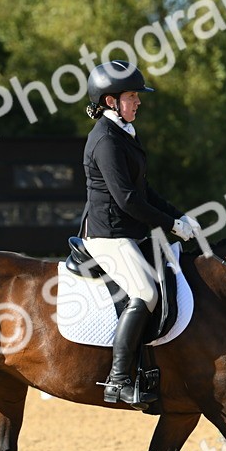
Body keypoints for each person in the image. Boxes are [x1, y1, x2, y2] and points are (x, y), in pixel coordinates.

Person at [81, 60, 200, 408]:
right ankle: (117, 381)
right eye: (132, 96)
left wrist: (180, 216)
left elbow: (145, 192)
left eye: (136, 96)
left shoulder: (123, 134)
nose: (138, 102)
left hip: (128, 232)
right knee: (146, 291)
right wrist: (171, 225)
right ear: (110, 101)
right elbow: (128, 200)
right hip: (109, 235)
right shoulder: (105, 140)